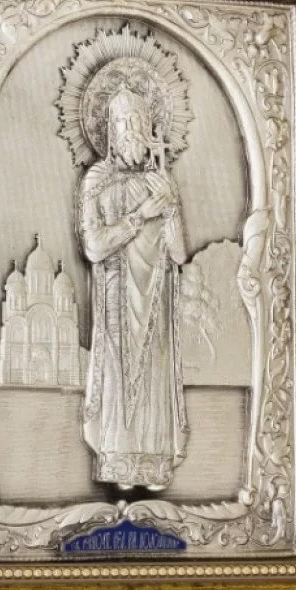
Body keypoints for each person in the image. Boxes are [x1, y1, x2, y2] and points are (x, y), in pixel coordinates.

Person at [78, 85, 188, 491]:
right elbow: (93, 247)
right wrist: (141, 215)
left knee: (154, 372)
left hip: (155, 296)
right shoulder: (97, 179)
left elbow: (179, 254)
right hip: (116, 295)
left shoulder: (160, 180)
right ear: (111, 131)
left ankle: (153, 462)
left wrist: (170, 206)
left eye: (139, 123)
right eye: (124, 124)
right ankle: (119, 461)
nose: (132, 132)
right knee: (119, 373)